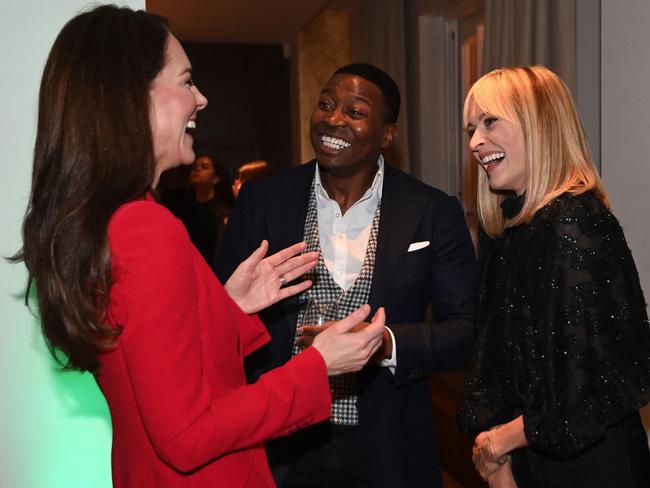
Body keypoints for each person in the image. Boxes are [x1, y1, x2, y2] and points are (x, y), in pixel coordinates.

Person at [13, 6, 387, 487]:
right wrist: (318, 365)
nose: (202, 99)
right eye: (187, 81)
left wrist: (225, 305)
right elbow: (187, 435)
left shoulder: (109, 221)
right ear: (131, 97)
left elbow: (150, 365)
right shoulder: (145, 227)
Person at [217, 63, 476, 487]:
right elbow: (218, 315)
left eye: (355, 112)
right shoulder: (263, 202)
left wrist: (385, 342)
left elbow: (466, 329)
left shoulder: (431, 212)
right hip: (280, 444)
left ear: (387, 135)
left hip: (387, 445)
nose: (332, 119)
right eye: (325, 104)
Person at [457, 65, 650, 487]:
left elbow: (585, 392)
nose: (474, 142)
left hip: (591, 465)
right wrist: (498, 460)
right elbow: (493, 360)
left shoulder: (574, 222)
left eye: (490, 122)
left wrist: (498, 443)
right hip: (525, 454)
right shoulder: (503, 230)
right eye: (471, 128)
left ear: (539, 125)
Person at [163, 154, 233, 264]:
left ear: (216, 178)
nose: (197, 169)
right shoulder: (181, 208)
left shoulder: (222, 212)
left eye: (204, 167)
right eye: (195, 167)